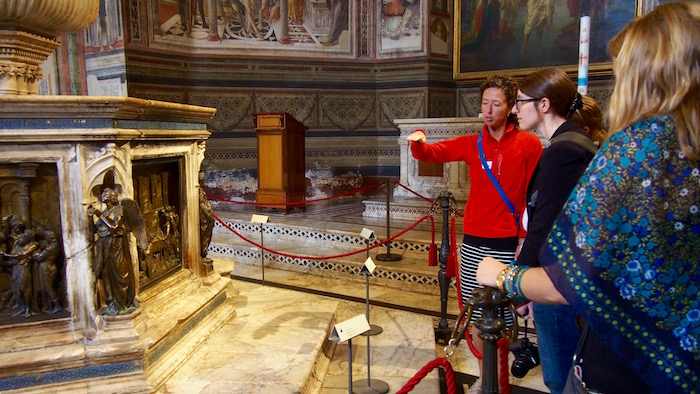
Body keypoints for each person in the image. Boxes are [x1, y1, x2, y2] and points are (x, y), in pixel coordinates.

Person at [477, 2, 700, 393]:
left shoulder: (637, 149)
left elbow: (577, 276)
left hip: (627, 359)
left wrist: (504, 276)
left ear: (641, 74)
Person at [408, 74, 542, 393]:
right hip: (474, 244)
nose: (489, 110)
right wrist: (418, 139)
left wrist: (528, 239)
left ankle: (498, 378)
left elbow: (536, 195)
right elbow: (428, 154)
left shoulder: (529, 144)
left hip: (509, 244)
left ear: (510, 107)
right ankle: (486, 379)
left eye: (496, 103)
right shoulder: (473, 143)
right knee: (476, 313)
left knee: (505, 319)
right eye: (485, 103)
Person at [510, 67, 602, 394]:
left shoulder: (564, 150)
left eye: (520, 102)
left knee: (559, 376)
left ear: (544, 104)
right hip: (562, 275)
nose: (514, 110)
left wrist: (516, 284)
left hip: (556, 277)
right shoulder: (572, 141)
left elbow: (545, 227)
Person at [87, 188, 137, 316]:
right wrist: (90, 218)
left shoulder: (119, 210)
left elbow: (114, 228)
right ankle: (113, 303)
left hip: (117, 246)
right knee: (107, 275)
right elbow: (94, 231)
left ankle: (123, 302)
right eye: (103, 193)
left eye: (105, 193)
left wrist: (99, 214)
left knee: (120, 274)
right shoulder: (105, 212)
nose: (102, 195)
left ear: (111, 197)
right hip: (104, 247)